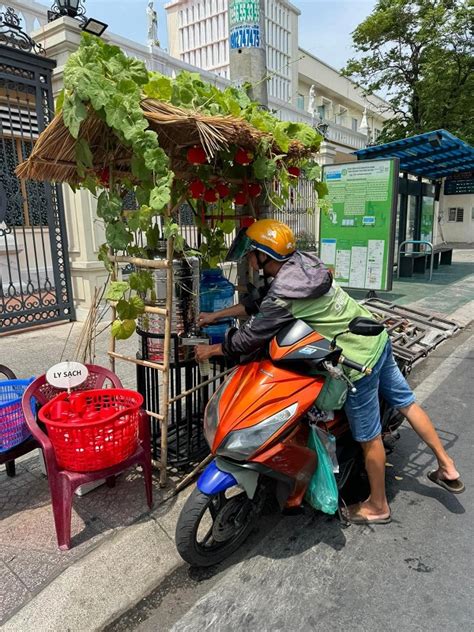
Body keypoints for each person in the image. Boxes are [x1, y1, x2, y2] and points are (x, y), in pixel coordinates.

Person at [195, 219, 464, 524]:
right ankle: (447, 466)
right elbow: (258, 304)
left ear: (264, 256)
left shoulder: (284, 294)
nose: (248, 259)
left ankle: (378, 505)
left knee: (369, 437)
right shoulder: (304, 264)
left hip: (358, 361)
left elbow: (247, 338)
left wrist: (212, 350)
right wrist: (216, 315)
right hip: (375, 335)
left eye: (252, 253)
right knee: (408, 402)